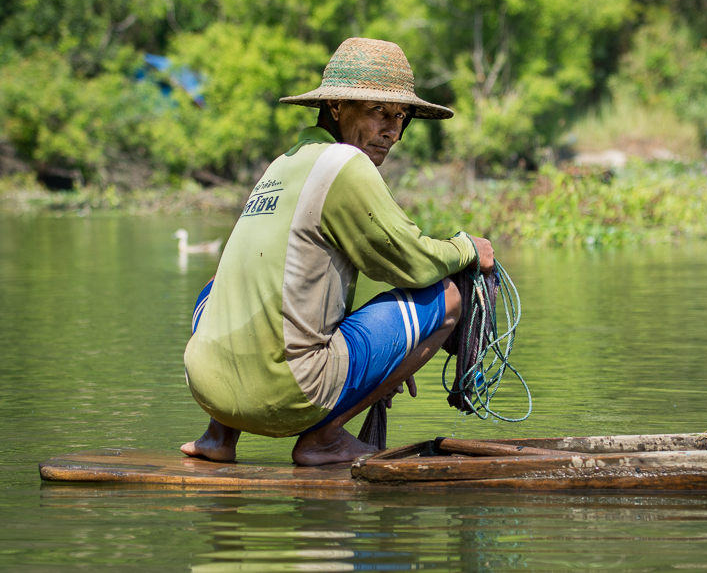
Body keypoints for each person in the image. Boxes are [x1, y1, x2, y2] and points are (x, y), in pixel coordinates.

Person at [180, 37, 494, 466]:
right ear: (335, 108)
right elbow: (414, 262)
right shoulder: (345, 163)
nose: (393, 131)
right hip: (288, 390)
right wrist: (467, 248)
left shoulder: (283, 163)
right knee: (450, 297)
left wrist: (384, 362)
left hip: (206, 384)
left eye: (400, 116)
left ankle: (219, 436)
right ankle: (324, 440)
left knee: (220, 285)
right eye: (377, 112)